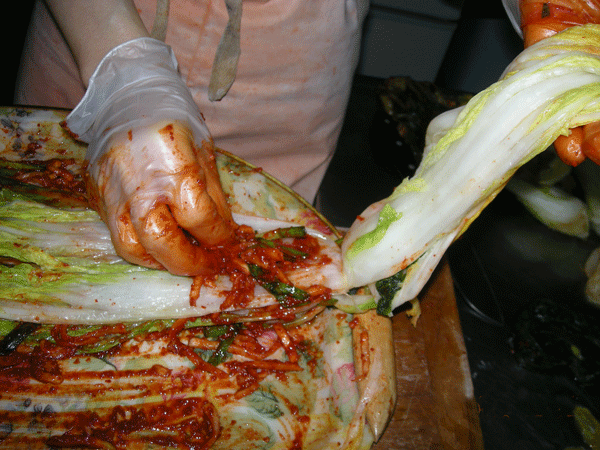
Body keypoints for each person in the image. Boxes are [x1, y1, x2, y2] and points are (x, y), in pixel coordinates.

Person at [15, 0, 369, 275]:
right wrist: (123, 75)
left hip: (297, 38)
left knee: (272, 250)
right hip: (94, 22)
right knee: (43, 203)